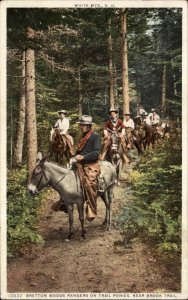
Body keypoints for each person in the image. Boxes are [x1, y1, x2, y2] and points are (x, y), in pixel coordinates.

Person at [74, 115, 101, 221]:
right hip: (80, 163)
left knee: (89, 184)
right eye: (81, 125)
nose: (81, 127)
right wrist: (75, 155)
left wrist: (83, 157)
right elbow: (80, 150)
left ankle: (91, 210)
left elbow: (96, 153)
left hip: (91, 164)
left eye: (83, 125)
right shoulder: (82, 136)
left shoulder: (95, 136)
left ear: (89, 126)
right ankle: (64, 201)